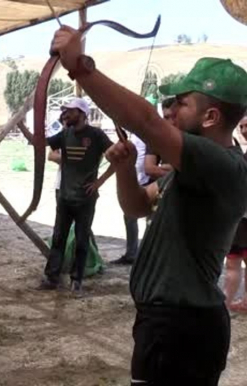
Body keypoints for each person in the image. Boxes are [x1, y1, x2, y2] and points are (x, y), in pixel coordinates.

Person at [52, 25, 247, 384]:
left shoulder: (221, 164)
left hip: (182, 326)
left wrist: (80, 67)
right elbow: (138, 206)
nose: (171, 111)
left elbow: (146, 121)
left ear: (211, 117)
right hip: (168, 322)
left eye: (181, 103)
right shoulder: (191, 168)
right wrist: (125, 169)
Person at [17, 98, 115, 293]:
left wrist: (99, 182)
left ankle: (76, 281)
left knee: (81, 240)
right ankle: (51, 278)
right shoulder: (65, 134)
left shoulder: (96, 135)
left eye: (70, 111)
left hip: (85, 200)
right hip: (65, 197)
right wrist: (21, 125)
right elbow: (38, 143)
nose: (65, 115)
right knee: (58, 238)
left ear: (81, 112)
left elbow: (117, 157)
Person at [111, 132, 149, 265]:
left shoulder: (147, 136)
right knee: (129, 217)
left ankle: (146, 254)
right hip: (135, 181)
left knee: (150, 221)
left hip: (147, 181)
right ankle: (132, 253)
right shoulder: (132, 136)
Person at [224, 116, 247, 312]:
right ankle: (229, 302)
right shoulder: (241, 155)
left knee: (234, 262)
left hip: (240, 217)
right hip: (238, 218)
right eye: (242, 126)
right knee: (233, 262)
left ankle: (228, 302)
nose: (244, 129)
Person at [143, 97, 174, 183]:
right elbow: (149, 169)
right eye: (167, 117)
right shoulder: (157, 136)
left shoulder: (192, 134)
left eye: (174, 117)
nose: (171, 122)